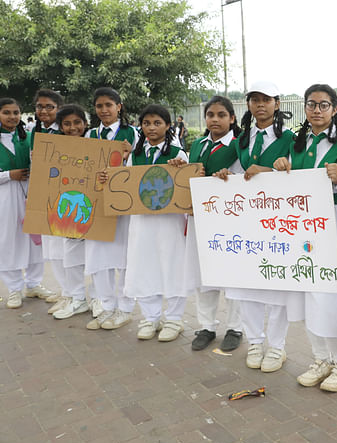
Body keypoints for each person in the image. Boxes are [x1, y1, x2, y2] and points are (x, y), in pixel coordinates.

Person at [271, 84, 337, 392]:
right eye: (311, 104)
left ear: (335, 108)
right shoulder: (298, 142)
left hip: (335, 223)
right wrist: (279, 167)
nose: (317, 110)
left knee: (335, 292)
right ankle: (321, 357)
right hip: (303, 226)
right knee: (309, 289)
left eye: (323, 105)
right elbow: (286, 182)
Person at [221, 80, 300, 372]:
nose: (260, 104)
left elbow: (298, 175)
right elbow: (237, 172)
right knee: (247, 282)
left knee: (277, 283)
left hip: (279, 220)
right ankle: (255, 340)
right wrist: (223, 175)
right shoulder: (242, 138)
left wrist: (268, 171)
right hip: (247, 221)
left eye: (266, 99)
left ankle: (276, 346)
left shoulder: (291, 138)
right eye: (254, 99)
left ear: (277, 104)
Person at [99, 105, 189, 342]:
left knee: (172, 265)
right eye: (146, 123)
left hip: (169, 222)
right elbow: (126, 182)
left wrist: (181, 170)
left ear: (168, 126)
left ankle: (174, 319)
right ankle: (151, 317)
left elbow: (185, 184)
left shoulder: (178, 154)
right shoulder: (137, 154)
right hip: (141, 221)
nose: (151, 128)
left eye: (157, 123)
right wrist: (109, 178)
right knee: (144, 264)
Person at [176, 96, 245, 352]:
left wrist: (232, 177)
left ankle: (235, 327)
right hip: (199, 218)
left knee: (232, 274)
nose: (215, 120)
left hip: (229, 219)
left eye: (221, 115)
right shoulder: (198, 145)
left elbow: (246, 179)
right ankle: (206, 326)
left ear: (232, 118)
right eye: (210, 115)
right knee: (203, 274)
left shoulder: (239, 146)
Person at [0, 98, 55, 308]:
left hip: (31, 194)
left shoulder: (30, 138)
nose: (12, 116)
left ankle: (34, 284)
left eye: (16, 112)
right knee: (7, 242)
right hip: (4, 199)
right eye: (7, 112)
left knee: (34, 242)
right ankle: (14, 288)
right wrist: (9, 175)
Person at [81, 87, 137, 330]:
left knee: (124, 257)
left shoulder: (134, 135)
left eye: (109, 105)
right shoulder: (89, 136)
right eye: (99, 106)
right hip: (96, 204)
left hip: (124, 204)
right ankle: (106, 306)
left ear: (119, 107)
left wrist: (128, 156)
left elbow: (142, 167)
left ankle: (125, 308)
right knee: (98, 256)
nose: (104, 110)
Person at [44, 104, 91, 326]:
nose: (73, 127)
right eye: (67, 124)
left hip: (94, 209)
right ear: (60, 127)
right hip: (69, 211)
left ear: (85, 123)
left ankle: (102, 301)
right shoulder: (55, 148)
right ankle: (77, 298)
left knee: (99, 258)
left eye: (77, 122)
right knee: (71, 257)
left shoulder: (96, 143)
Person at [29, 90, 72, 313]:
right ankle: (64, 288)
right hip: (44, 193)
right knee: (51, 246)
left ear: (58, 108)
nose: (43, 111)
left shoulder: (66, 130)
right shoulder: (35, 131)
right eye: (39, 107)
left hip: (64, 194)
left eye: (49, 107)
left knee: (64, 245)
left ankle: (71, 292)